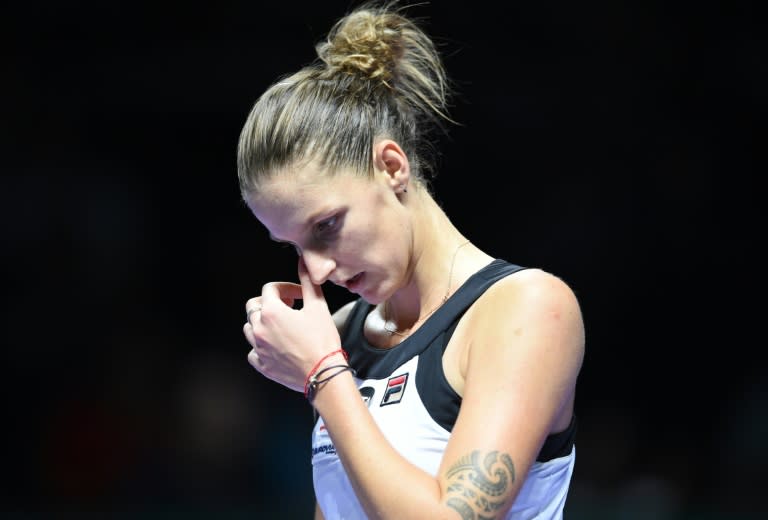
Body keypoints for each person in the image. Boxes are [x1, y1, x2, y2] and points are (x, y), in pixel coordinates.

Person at [237, 1, 585, 518]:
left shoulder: (528, 311)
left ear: (391, 166)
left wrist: (324, 376)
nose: (318, 270)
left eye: (327, 226)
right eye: (293, 247)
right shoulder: (343, 334)